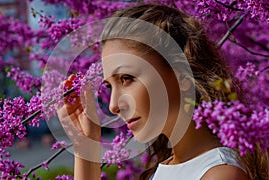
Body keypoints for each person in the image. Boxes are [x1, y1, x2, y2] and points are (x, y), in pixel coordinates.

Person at [57, 4, 268, 180]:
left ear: (181, 75)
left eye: (127, 79)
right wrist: (86, 145)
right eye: (110, 86)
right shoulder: (168, 167)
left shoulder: (219, 175)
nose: (113, 105)